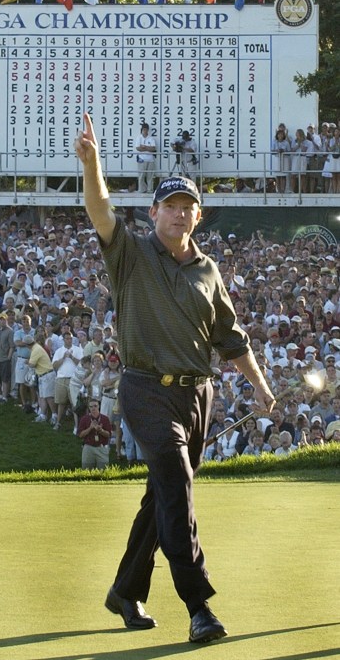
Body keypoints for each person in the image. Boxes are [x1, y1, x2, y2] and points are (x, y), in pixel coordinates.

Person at [75, 113, 275, 644]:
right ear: (154, 212)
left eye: (188, 207)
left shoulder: (209, 270)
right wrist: (92, 164)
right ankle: (198, 605)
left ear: (198, 216)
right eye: (171, 206)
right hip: (144, 389)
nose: (179, 214)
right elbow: (99, 209)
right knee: (177, 488)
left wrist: (257, 383)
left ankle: (125, 588)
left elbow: (231, 338)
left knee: (161, 494)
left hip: (198, 395)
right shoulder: (131, 252)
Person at [76, 398, 112, 469]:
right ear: (89, 408)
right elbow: (80, 435)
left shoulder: (105, 418)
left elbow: (109, 434)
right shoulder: (84, 419)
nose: (93, 408)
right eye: (91, 406)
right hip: (88, 447)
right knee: (87, 472)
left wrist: (101, 430)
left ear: (99, 406)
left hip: (101, 447)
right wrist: (90, 428)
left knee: (103, 472)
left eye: (95, 406)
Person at [135, 122, 156, 193]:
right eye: (144, 129)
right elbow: (138, 148)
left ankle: (150, 190)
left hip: (150, 159)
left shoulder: (151, 138)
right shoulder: (139, 137)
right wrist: (148, 148)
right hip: (142, 159)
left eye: (146, 129)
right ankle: (142, 189)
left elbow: (153, 149)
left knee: (150, 176)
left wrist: (144, 147)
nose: (145, 131)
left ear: (148, 130)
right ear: (142, 130)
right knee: (141, 176)